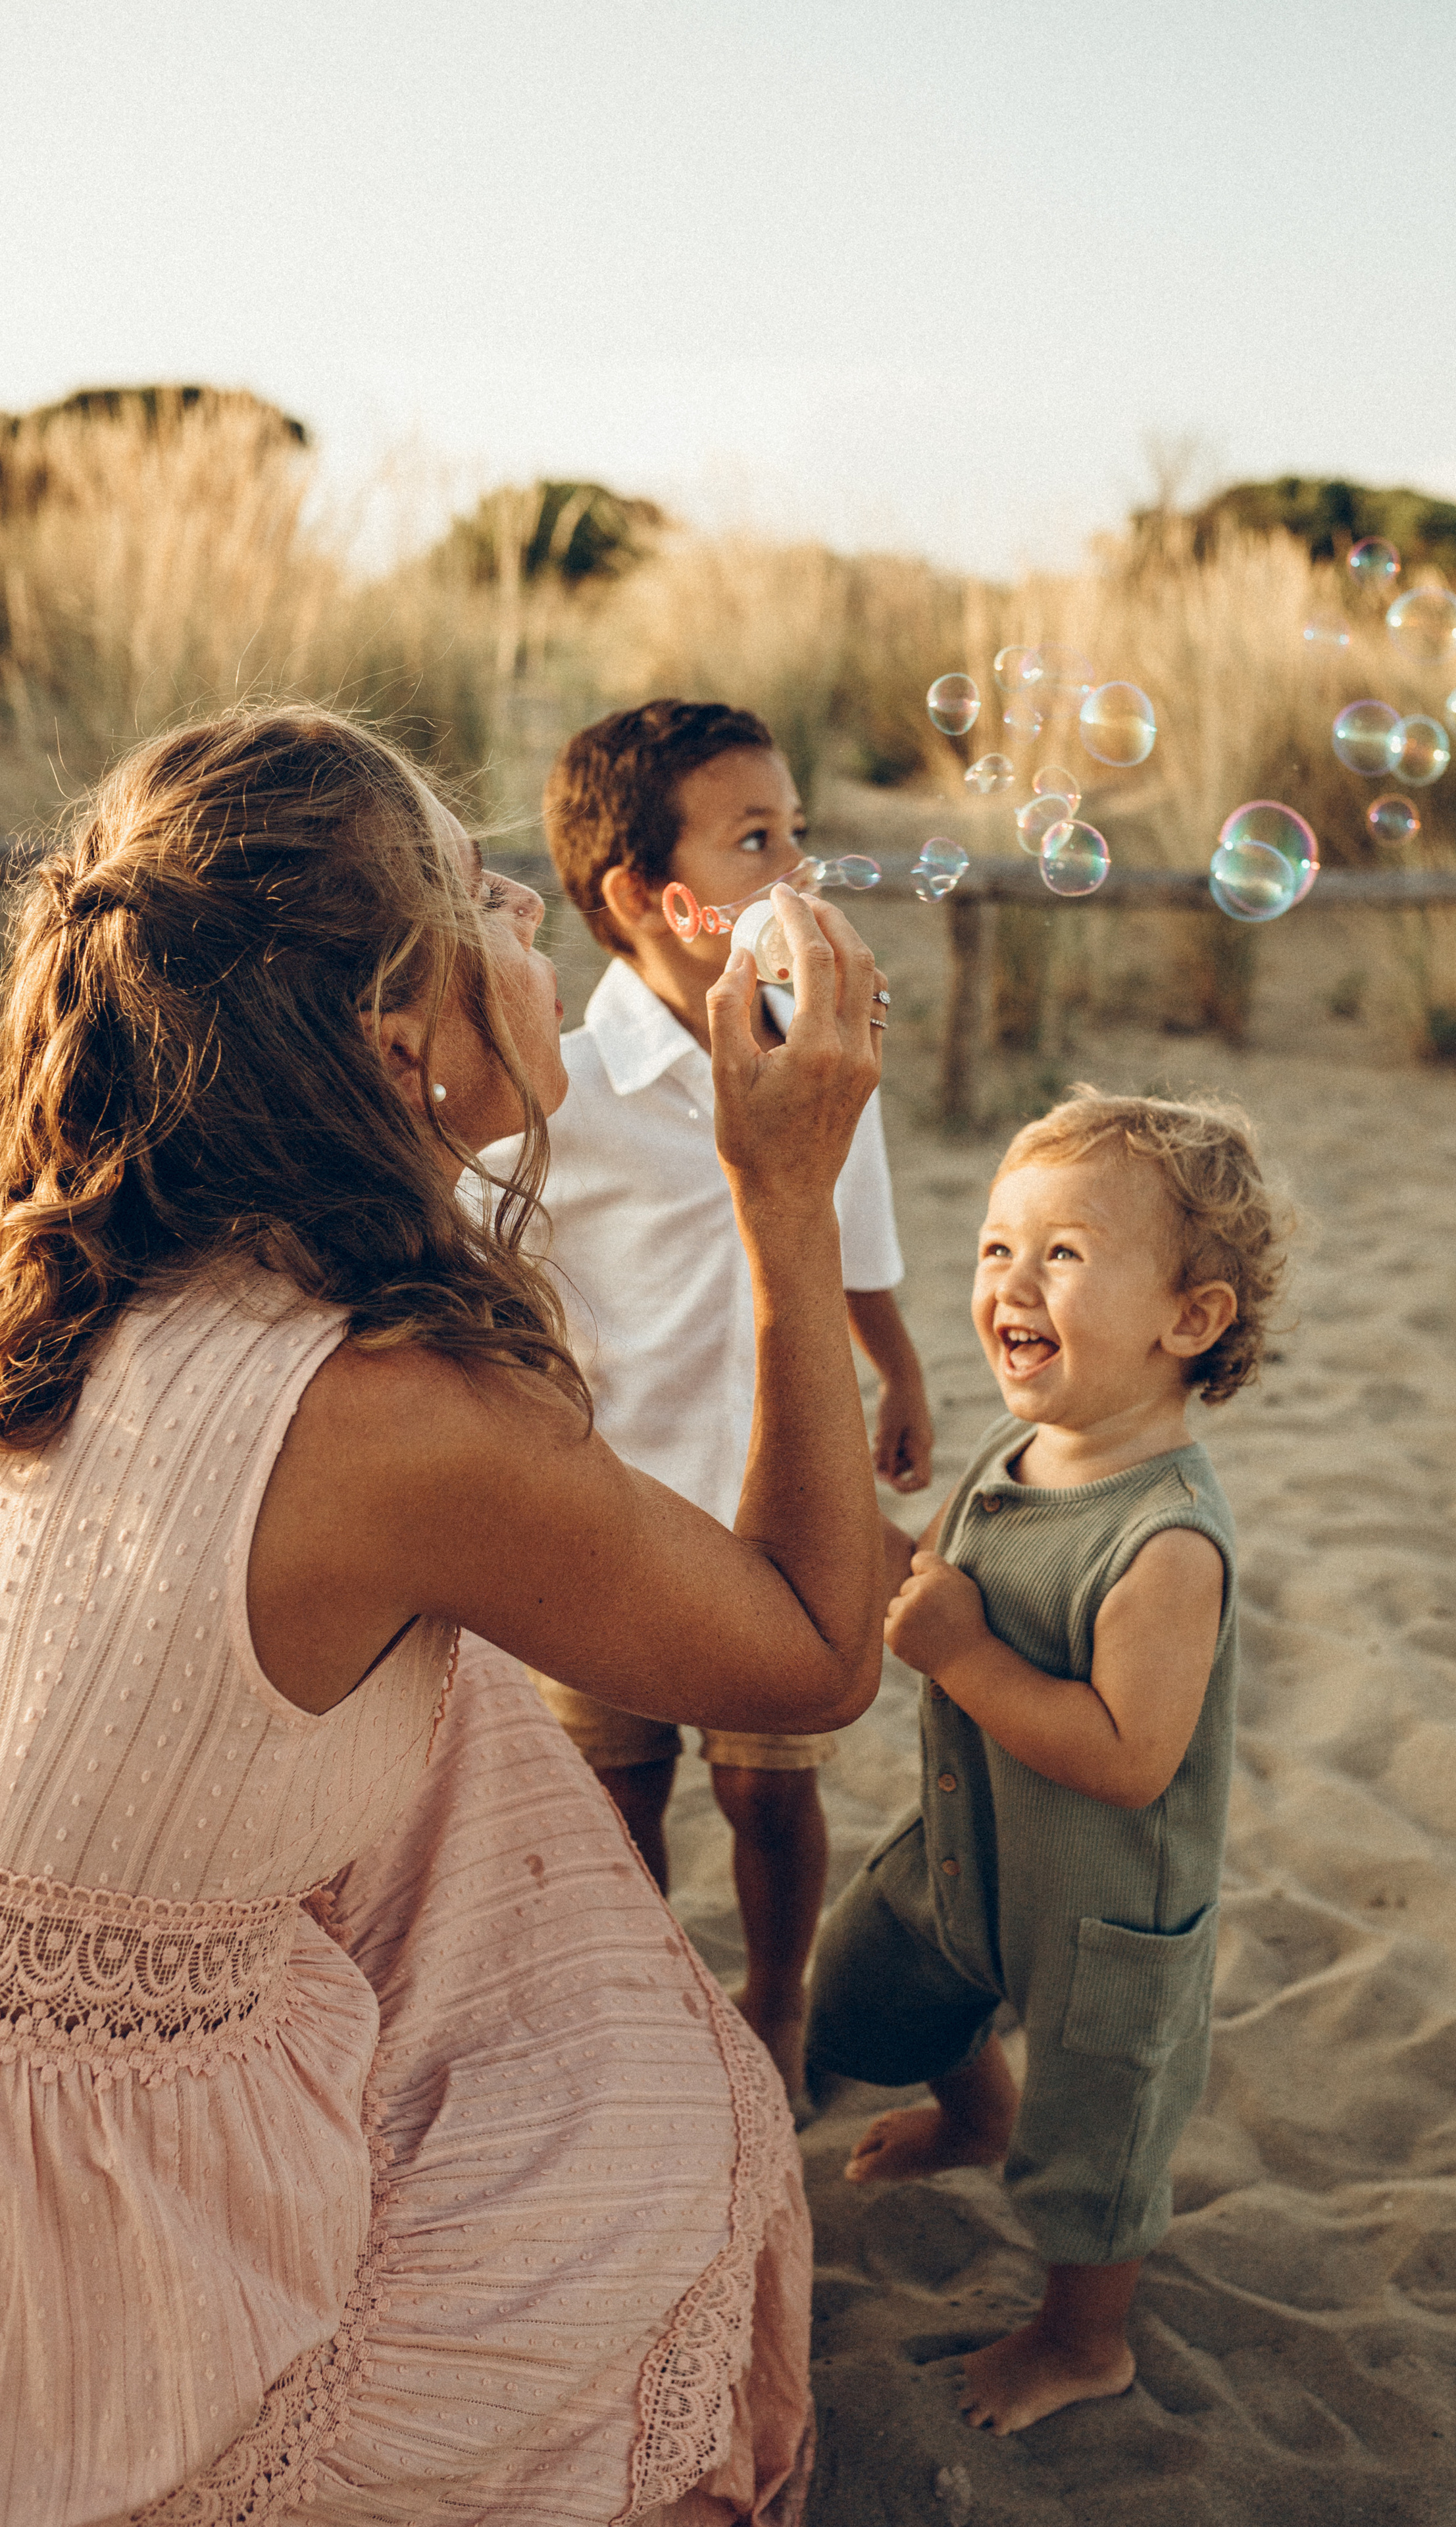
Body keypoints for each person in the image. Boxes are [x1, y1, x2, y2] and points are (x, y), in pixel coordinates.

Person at [0, 705, 892, 2526]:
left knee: (479, 1741)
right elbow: (817, 1651)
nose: (529, 921)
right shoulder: (396, 1414)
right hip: (90, 2245)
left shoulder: (98, 1248)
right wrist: (780, 1190)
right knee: (679, 2148)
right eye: (478, 902)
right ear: (394, 1035)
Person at [805, 1089, 1291, 2436]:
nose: (1012, 1281)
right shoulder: (1022, 1455)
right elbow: (961, 1579)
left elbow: (1132, 1758)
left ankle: (1084, 2341)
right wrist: (886, 1542)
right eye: (994, 1249)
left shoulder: (1165, 1542)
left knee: (1093, 2151)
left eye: (1063, 1254)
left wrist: (960, 1657)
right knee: (867, 1994)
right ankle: (971, 2116)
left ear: (1187, 1320)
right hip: (968, 1854)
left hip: (1100, 1914)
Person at [500, 701, 932, 2101]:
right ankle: (636, 2002)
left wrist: (902, 1364)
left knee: (767, 1785)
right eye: (756, 840)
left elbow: (850, 1220)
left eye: (798, 832)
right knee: (614, 1789)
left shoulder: (812, 1050)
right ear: (642, 894)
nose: (795, 869)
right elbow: (482, 1254)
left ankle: (776, 2000)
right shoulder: (557, 1088)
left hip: (779, 1502)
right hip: (609, 1512)